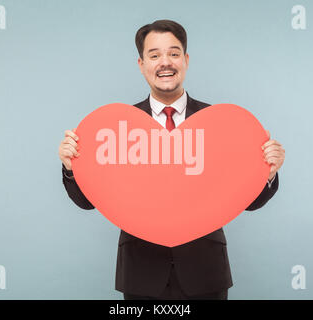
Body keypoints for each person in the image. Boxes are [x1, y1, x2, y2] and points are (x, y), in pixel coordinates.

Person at [58, 20, 285, 300]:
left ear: (186, 60)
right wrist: (72, 168)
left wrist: (268, 172)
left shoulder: (220, 124)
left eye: (174, 54)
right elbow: (88, 201)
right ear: (141, 64)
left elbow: (248, 201)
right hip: (140, 271)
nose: (165, 62)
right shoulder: (117, 128)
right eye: (154, 55)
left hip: (205, 271)